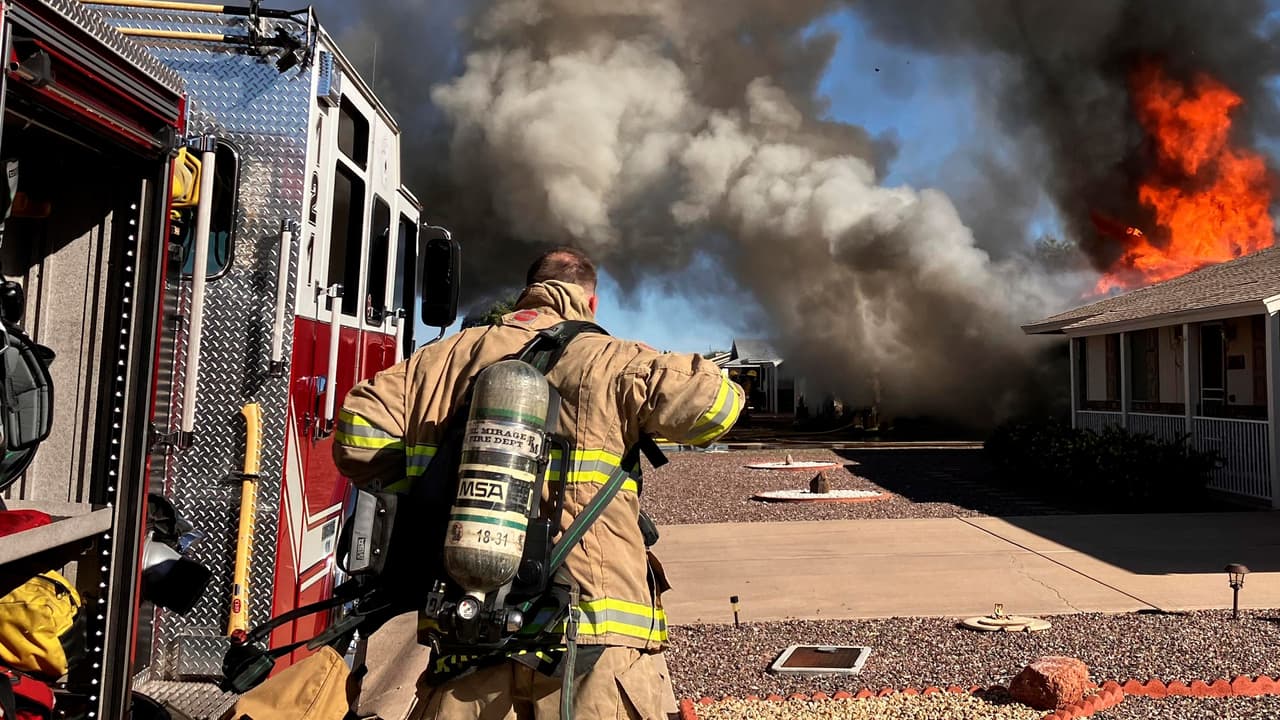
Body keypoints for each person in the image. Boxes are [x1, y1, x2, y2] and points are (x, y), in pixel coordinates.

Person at [333, 246, 745, 719]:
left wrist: (431, 477)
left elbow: (355, 437)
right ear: (591, 302)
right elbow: (715, 408)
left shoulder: (439, 360)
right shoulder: (615, 360)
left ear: (525, 293)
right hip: (588, 634)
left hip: (466, 631)